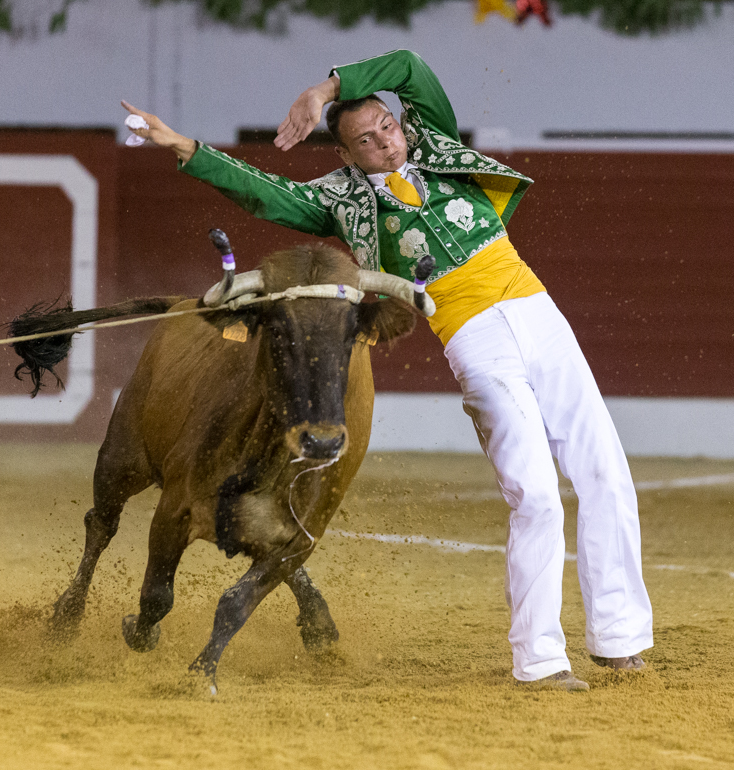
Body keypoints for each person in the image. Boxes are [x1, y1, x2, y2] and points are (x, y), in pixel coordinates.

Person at [123, 49, 652, 691]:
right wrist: (184, 145)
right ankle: (540, 661)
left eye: (388, 128)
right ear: (346, 157)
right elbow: (263, 192)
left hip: (539, 312)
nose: (386, 144)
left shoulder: (437, 147)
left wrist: (325, 90)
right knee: (535, 494)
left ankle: (619, 640)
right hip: (472, 336)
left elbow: (409, 67)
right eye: (366, 142)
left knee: (606, 472)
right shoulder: (341, 202)